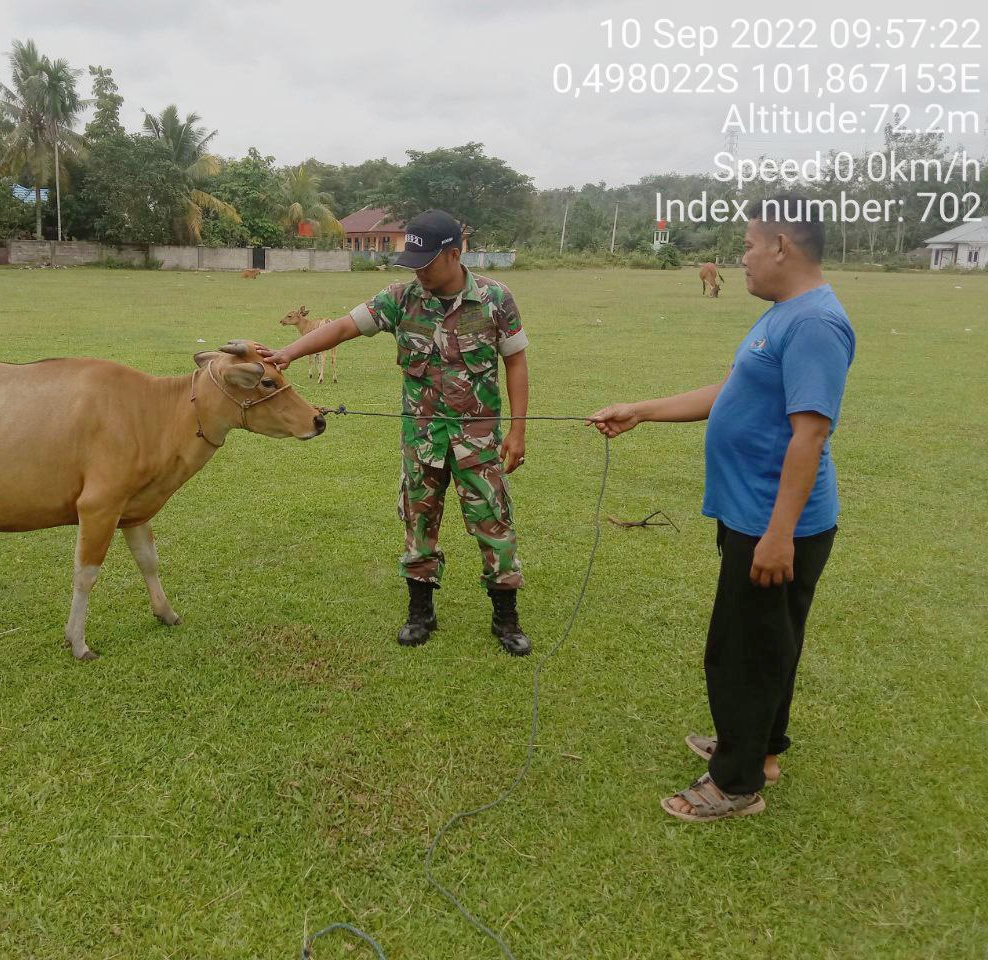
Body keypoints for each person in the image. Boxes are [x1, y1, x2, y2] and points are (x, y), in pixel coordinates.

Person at [588, 193, 856, 822]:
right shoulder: (785, 313)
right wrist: (642, 410)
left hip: (773, 522)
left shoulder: (814, 323)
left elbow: (810, 434)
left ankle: (734, 782)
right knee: (766, 641)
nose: (741, 259)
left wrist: (778, 534)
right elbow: (733, 391)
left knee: (742, 649)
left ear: (780, 247)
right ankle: (758, 748)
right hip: (753, 514)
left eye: (746, 246)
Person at [258, 210, 532, 655]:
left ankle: (506, 618)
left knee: (493, 523)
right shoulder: (400, 299)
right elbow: (344, 327)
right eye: (413, 262)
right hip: (422, 442)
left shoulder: (496, 299)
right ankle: (420, 611)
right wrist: (287, 353)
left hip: (478, 442)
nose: (418, 271)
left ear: (454, 254)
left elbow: (516, 362)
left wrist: (517, 432)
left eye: (427, 262)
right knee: (418, 523)